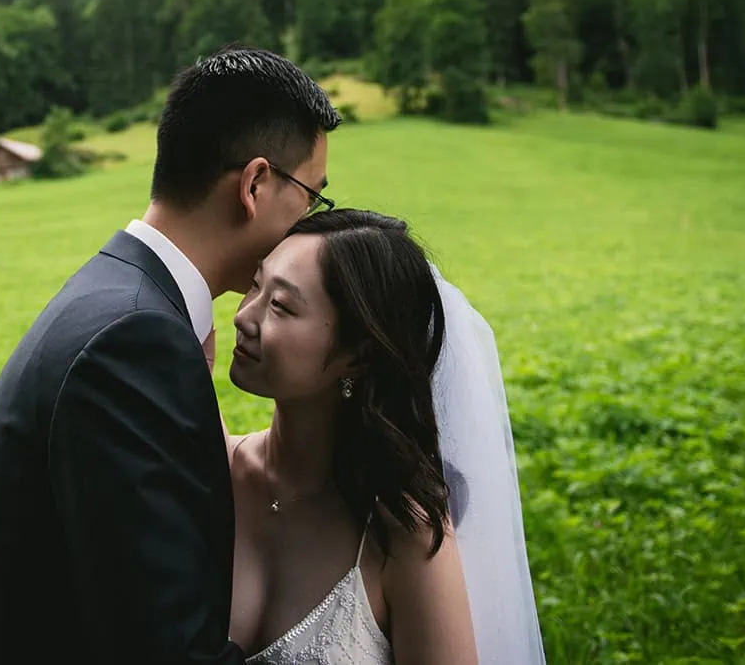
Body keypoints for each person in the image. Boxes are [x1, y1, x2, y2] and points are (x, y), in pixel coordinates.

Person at [0, 46, 341, 665]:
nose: (309, 226)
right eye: (310, 198)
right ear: (254, 185)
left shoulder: (116, 297)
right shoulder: (135, 342)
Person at [226, 209, 545, 664]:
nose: (244, 316)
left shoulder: (403, 535)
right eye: (256, 285)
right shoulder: (211, 469)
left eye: (281, 305)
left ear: (359, 355)